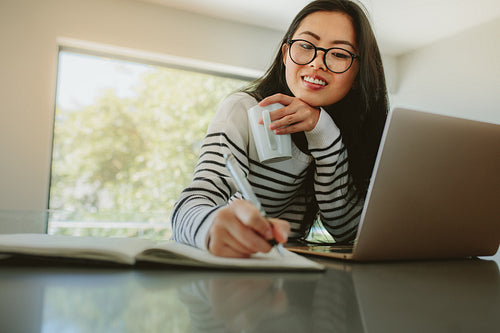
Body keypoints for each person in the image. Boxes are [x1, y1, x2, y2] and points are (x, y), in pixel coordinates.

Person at [172, 0, 388, 258]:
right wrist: (211, 227)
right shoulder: (242, 109)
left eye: (339, 54)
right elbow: (190, 205)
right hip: (234, 264)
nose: (317, 63)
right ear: (286, 54)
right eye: (306, 46)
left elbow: (347, 230)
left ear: (357, 74)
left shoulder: (348, 133)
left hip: (292, 273)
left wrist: (324, 131)